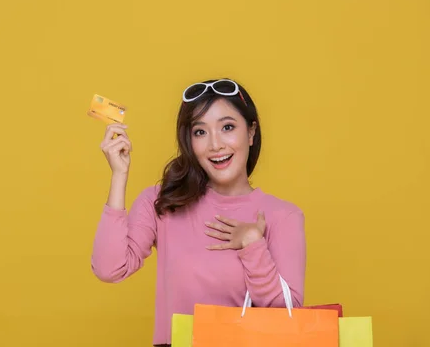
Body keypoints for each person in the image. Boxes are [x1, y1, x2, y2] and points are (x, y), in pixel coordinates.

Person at [90, 78, 306, 347]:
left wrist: (253, 246)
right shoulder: (163, 203)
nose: (215, 145)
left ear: (251, 133)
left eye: (227, 127)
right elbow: (109, 269)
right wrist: (119, 175)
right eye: (200, 132)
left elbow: (288, 317)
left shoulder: (283, 216)